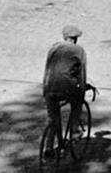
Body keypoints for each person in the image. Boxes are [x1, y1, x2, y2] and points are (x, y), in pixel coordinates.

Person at [43, 25, 89, 154]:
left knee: (53, 118)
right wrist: (83, 87)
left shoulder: (53, 48)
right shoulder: (79, 50)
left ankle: (49, 147)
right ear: (74, 38)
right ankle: (74, 133)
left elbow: (48, 69)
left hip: (49, 87)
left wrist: (45, 90)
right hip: (67, 87)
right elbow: (82, 73)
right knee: (77, 101)